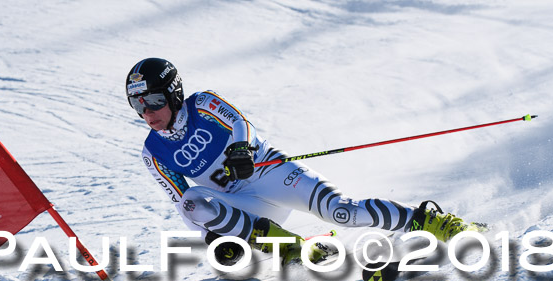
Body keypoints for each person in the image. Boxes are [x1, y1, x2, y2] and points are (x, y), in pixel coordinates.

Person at [126, 57, 483, 267]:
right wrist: (212, 237)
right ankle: (292, 249)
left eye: (153, 101)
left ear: (173, 94)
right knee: (192, 202)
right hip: (243, 206)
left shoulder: (203, 103)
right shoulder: (153, 152)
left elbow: (240, 124)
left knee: (343, 212)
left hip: (271, 173)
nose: (148, 113)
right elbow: (182, 204)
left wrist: (241, 151)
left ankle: (430, 221)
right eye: (138, 105)